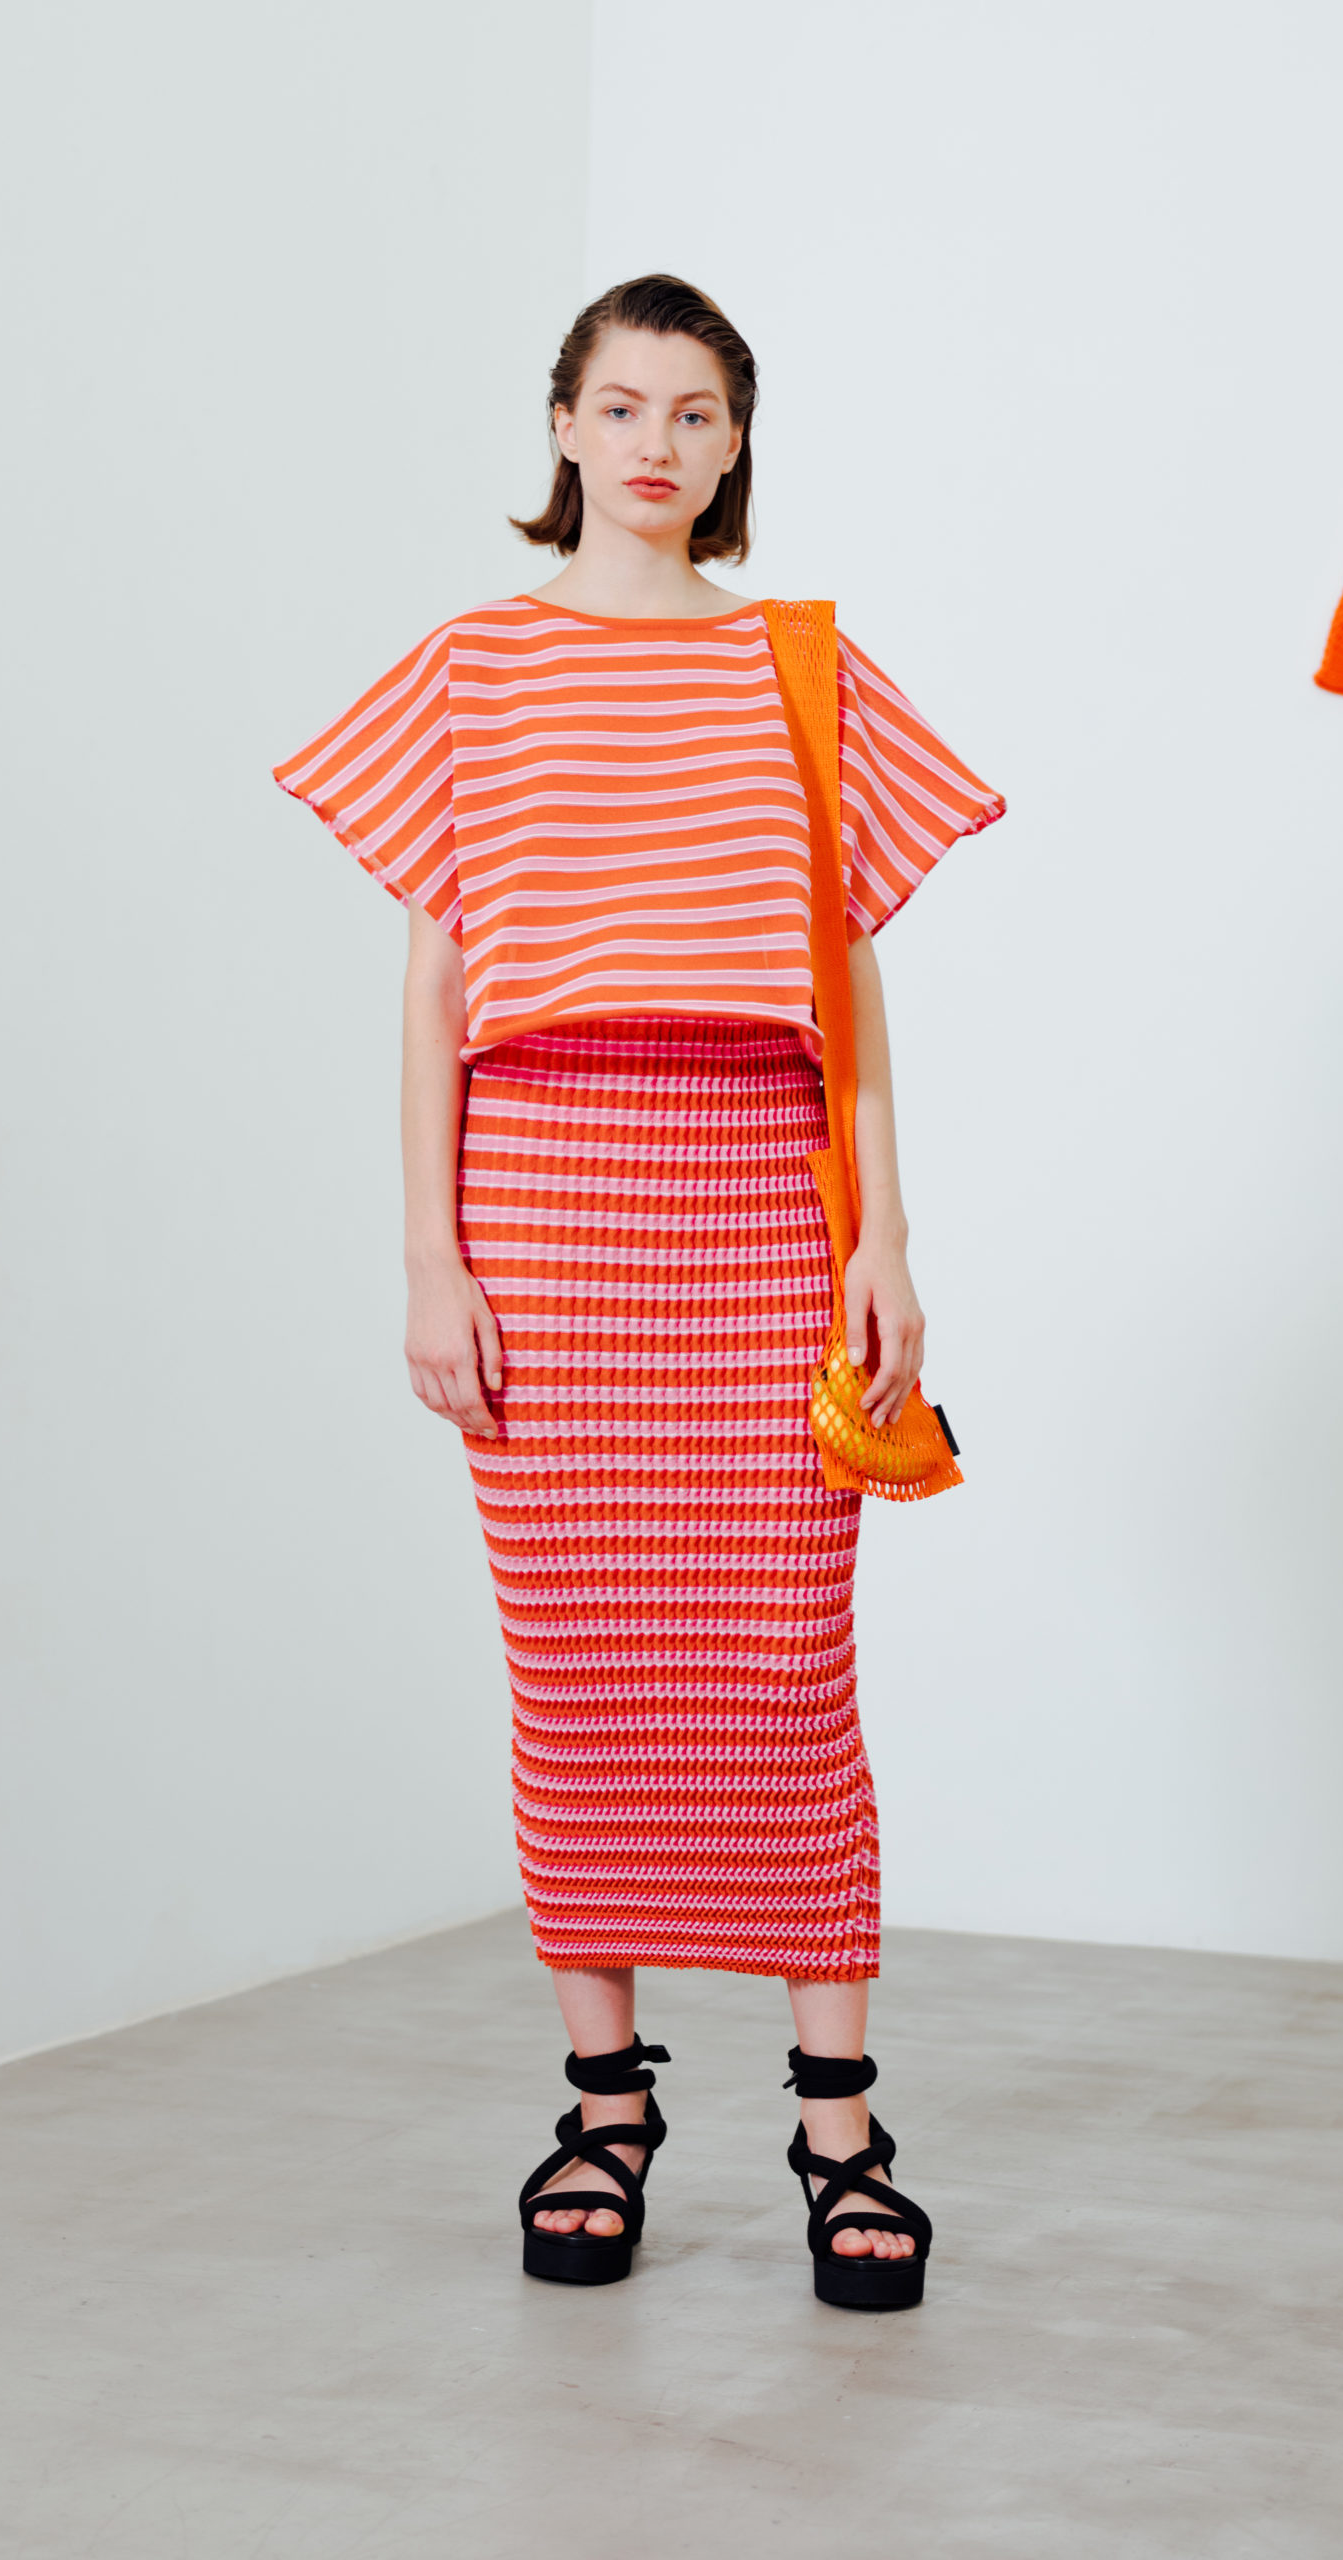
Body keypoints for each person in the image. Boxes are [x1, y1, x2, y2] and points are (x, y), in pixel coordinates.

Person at [273, 274, 1004, 2310]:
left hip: (760, 1195)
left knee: (786, 1655)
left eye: (695, 410)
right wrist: (429, 1255)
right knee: (578, 1654)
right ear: (563, 427)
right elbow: (435, 984)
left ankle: (839, 2123)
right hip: (542, 1198)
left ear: (736, 439)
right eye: (620, 405)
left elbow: (846, 972)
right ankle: (604, 2100)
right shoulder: (474, 666)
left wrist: (884, 1236)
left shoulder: (797, 666)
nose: (657, 442)